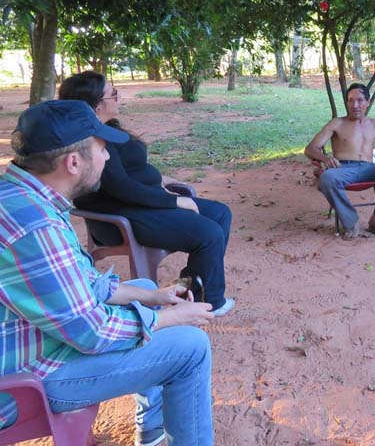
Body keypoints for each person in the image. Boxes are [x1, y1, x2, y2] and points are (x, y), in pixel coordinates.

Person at [0, 100, 217, 445]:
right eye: (102, 149)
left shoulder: (20, 197)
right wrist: (168, 318)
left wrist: (153, 296)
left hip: (28, 343)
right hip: (22, 382)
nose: (106, 158)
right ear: (73, 162)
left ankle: (151, 428)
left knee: (142, 286)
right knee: (190, 347)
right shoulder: (36, 226)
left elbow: (80, 284)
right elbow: (92, 331)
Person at [59, 71, 234, 316]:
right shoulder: (90, 140)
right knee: (209, 234)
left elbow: (131, 170)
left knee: (220, 213)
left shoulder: (108, 128)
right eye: (113, 94)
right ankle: (210, 302)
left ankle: (190, 288)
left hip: (142, 203)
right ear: (97, 105)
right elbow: (121, 187)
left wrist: (160, 179)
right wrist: (174, 201)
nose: (118, 97)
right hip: (120, 215)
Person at [305, 83, 375, 239]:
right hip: (344, 170)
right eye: (350, 100)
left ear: (368, 102)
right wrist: (325, 158)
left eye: (360, 100)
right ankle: (351, 221)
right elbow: (310, 149)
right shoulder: (337, 123)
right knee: (326, 178)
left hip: (370, 169)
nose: (355, 105)